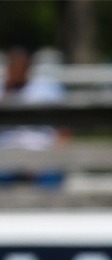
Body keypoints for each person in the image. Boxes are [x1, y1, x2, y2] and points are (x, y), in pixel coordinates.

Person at [0, 45, 65, 187]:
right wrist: (8, 91)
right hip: (6, 156)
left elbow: (63, 129)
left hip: (40, 154)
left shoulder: (46, 91)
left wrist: (58, 154)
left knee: (51, 177)